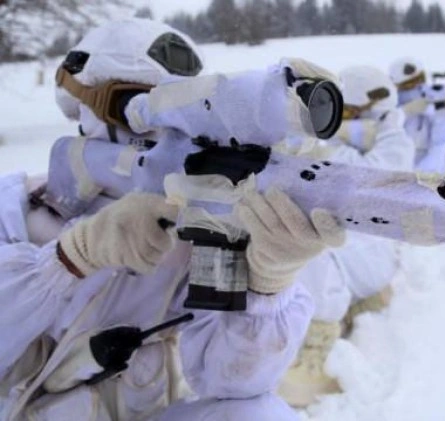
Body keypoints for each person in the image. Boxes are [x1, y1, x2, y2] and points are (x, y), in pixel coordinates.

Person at [0, 19, 343, 421]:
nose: (157, 129)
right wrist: (70, 257)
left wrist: (268, 285)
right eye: (136, 108)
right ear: (84, 100)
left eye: (177, 111)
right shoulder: (17, 205)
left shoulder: (199, 227)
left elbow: (231, 383)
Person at [277, 65, 414, 408]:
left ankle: (316, 351)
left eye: (351, 113)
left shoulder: (393, 145)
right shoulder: (339, 144)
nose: (341, 120)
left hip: (369, 254)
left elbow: (379, 175)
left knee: (310, 243)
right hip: (358, 248)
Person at [389, 58, 445, 176]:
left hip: (426, 171)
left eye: (421, 80)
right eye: (410, 84)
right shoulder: (389, 108)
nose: (418, 86)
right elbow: (381, 132)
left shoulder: (432, 103)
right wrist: (404, 112)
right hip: (397, 170)